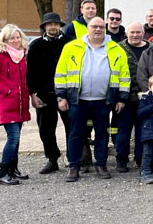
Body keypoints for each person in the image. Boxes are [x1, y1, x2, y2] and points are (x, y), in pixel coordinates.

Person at [55, 17, 130, 182]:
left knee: (102, 134)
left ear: (105, 29)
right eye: (94, 26)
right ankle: (74, 166)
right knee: (75, 134)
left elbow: (124, 77)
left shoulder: (115, 49)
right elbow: (61, 74)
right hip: (77, 99)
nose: (98, 30)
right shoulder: (71, 48)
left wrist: (122, 99)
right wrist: (61, 96)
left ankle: (101, 164)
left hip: (103, 100)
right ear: (87, 28)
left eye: (101, 27)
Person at [0, 24, 31, 185]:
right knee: (13, 138)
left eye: (18, 37)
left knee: (16, 139)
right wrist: (7, 91)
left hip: (20, 104)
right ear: (5, 40)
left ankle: (12, 169)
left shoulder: (22, 55)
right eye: (12, 38)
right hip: (6, 103)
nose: (16, 40)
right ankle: (2, 173)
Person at [26, 12, 70, 175]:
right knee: (45, 129)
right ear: (44, 26)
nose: (53, 27)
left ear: (60, 26)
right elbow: (30, 72)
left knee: (71, 127)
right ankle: (52, 158)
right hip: (44, 94)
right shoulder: (35, 45)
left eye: (56, 24)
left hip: (66, 93)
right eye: (49, 24)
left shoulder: (68, 43)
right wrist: (33, 94)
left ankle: (72, 158)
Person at [113, 22, 150, 172]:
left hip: (145, 98)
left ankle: (141, 159)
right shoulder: (118, 49)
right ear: (126, 33)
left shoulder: (151, 48)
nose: (135, 35)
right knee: (124, 130)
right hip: (125, 98)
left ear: (143, 33)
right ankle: (121, 160)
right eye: (132, 32)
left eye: (138, 32)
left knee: (143, 130)